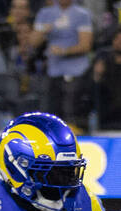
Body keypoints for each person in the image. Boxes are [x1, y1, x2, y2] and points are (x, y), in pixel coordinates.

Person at [32, 0, 93, 129]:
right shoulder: (45, 13)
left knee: (72, 113)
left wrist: (64, 51)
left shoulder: (82, 14)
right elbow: (33, 42)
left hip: (77, 71)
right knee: (51, 113)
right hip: (53, 71)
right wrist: (44, 30)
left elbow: (86, 45)